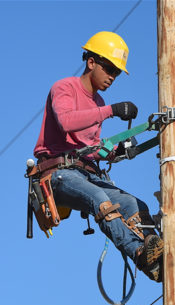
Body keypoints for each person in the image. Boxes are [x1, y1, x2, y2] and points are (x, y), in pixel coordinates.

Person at [33, 31, 165, 281]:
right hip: (58, 174)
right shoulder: (64, 88)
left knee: (136, 205)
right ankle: (138, 252)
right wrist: (110, 111)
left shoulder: (98, 102)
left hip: (86, 172)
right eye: (109, 68)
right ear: (91, 62)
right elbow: (66, 122)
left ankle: (159, 257)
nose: (112, 77)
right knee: (100, 199)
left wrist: (116, 150)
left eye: (116, 72)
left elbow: (89, 146)